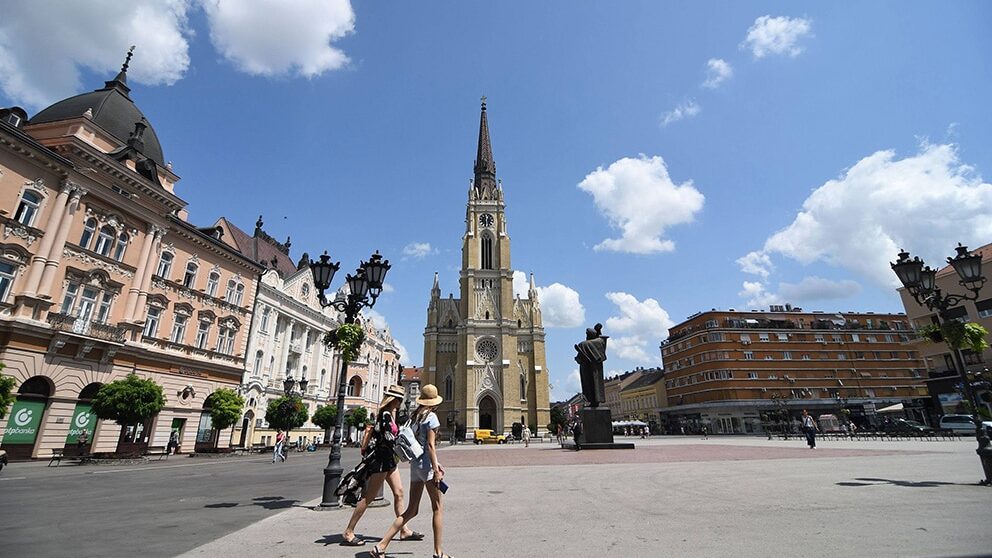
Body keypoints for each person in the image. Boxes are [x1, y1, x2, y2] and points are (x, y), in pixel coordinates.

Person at [370, 384, 451, 558]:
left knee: (411, 511)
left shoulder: (415, 418)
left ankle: (381, 546)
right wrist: (435, 469)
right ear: (434, 402)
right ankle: (438, 553)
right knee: (437, 508)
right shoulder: (432, 417)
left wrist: (436, 464)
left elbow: (419, 444)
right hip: (427, 467)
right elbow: (430, 445)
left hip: (416, 467)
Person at [340, 385, 421, 546]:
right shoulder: (384, 415)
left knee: (399, 493)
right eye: (398, 399)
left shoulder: (390, 415)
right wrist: (407, 449)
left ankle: (404, 530)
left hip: (389, 460)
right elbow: (388, 438)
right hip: (380, 461)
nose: (400, 402)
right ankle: (349, 531)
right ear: (393, 399)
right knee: (368, 497)